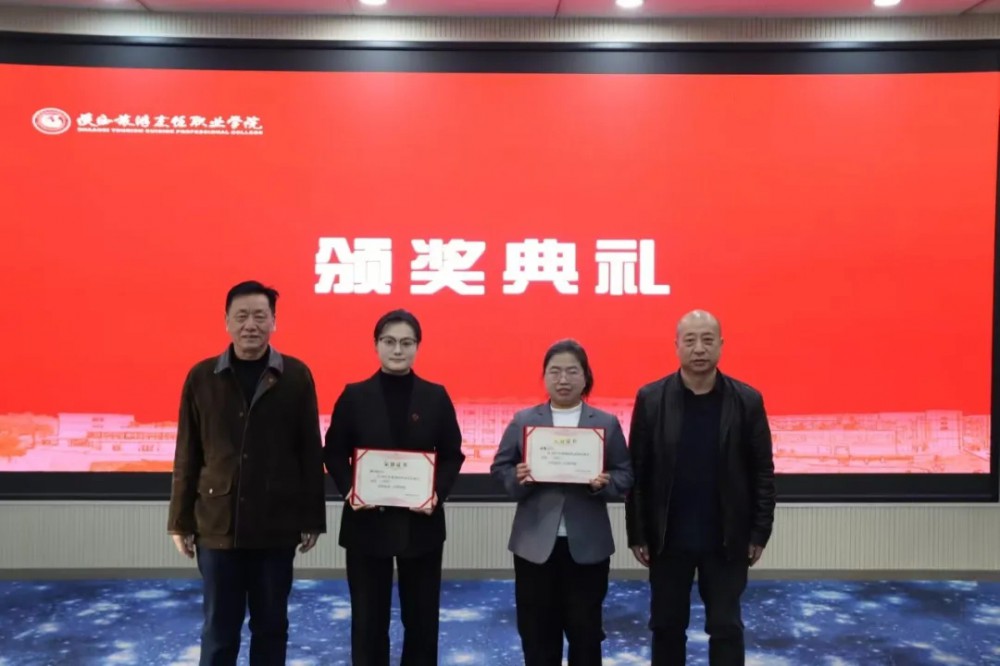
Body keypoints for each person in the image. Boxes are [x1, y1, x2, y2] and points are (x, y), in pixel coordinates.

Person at [167, 280, 327, 666]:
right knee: (219, 630)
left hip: (276, 525)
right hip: (217, 525)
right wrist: (179, 521)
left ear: (274, 321)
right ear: (226, 322)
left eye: (259, 316)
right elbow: (187, 455)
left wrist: (312, 518)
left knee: (271, 626)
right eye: (241, 316)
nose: (250, 325)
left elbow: (310, 451)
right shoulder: (202, 377)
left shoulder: (296, 376)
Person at [624, 309, 776, 666]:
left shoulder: (747, 400)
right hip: (668, 538)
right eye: (690, 340)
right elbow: (638, 473)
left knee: (725, 626)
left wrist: (759, 532)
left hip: (726, 537)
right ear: (676, 346)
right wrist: (638, 533)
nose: (699, 349)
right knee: (666, 626)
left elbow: (763, 473)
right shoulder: (651, 398)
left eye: (707, 340)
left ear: (721, 345)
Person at [323, 309, 465, 666]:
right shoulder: (354, 396)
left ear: (418, 347)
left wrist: (436, 494)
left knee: (422, 621)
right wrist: (350, 490)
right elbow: (334, 452)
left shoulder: (435, 396)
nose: (398, 350)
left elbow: (452, 454)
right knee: (368, 622)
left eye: (406, 342)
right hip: (366, 524)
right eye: (389, 341)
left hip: (421, 525)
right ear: (376, 345)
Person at [491, 339, 634, 666]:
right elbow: (500, 469)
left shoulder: (605, 423)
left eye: (572, 371)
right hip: (534, 545)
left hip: (588, 546)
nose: (563, 379)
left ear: (586, 377)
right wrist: (518, 477)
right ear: (544, 377)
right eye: (555, 372)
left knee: (586, 634)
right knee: (537, 634)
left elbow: (626, 474)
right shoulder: (524, 420)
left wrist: (605, 483)